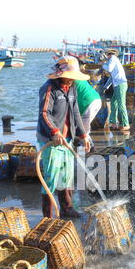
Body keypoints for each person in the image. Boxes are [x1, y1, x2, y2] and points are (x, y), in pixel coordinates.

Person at [37, 56, 90, 219]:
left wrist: (83, 134)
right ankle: (48, 216)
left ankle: (67, 209)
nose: (71, 80)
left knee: (66, 176)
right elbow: (44, 113)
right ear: (61, 74)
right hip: (51, 140)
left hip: (68, 140)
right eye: (69, 77)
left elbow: (75, 113)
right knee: (51, 177)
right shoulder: (49, 88)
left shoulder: (72, 88)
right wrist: (54, 131)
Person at [101, 49, 129, 132]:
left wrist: (103, 64)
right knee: (113, 102)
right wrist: (106, 86)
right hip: (117, 85)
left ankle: (125, 124)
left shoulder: (113, 59)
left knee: (121, 104)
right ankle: (113, 123)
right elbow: (112, 76)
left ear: (108, 55)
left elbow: (109, 69)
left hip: (121, 84)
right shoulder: (113, 60)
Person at [74, 74, 102, 150]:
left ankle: (91, 151)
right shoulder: (78, 77)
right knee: (83, 130)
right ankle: (88, 150)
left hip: (88, 104)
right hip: (96, 100)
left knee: (83, 133)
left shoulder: (70, 80)